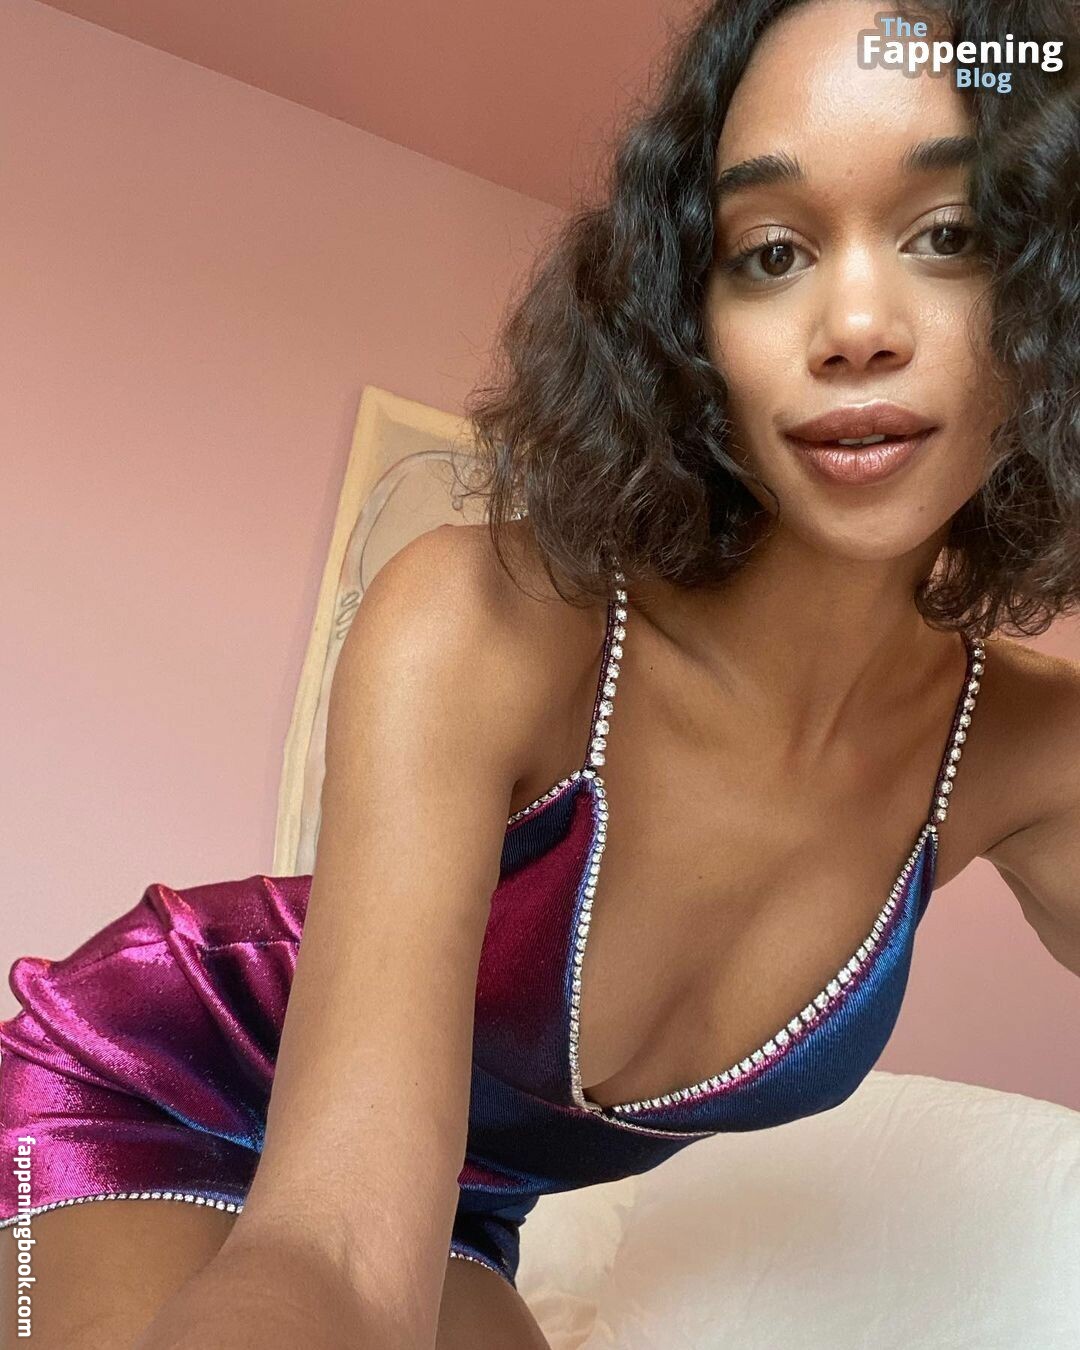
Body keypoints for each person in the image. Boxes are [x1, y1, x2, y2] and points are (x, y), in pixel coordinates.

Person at [2, 0, 1078, 1346]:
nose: (855, 324)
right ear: (690, 316)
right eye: (772, 251)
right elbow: (336, 1248)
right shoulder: (482, 622)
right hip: (159, 1087)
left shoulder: (1033, 755)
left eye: (951, 235)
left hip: (464, 1207)